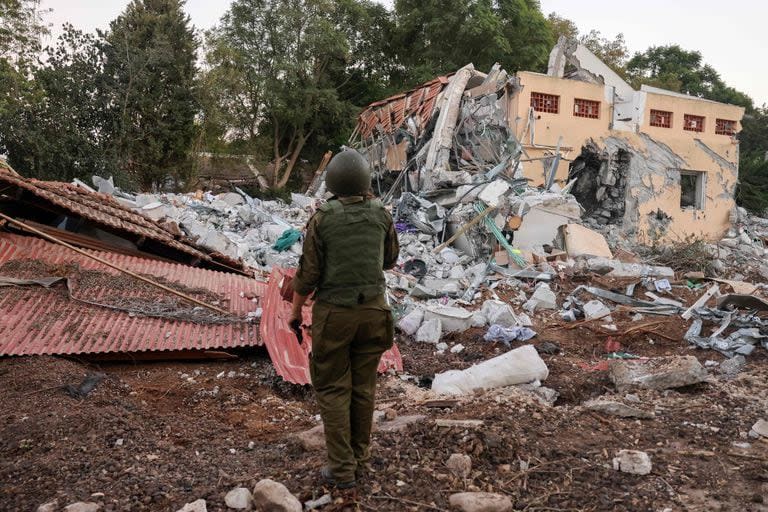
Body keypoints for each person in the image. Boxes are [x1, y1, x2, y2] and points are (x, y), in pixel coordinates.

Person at [289, 149, 399, 489]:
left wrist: (295, 313)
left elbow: (308, 277)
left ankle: (341, 469)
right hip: (374, 313)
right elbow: (389, 260)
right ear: (365, 181)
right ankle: (359, 459)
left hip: (335, 315)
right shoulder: (381, 214)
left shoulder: (323, 219)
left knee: (334, 389)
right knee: (364, 388)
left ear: (333, 183)